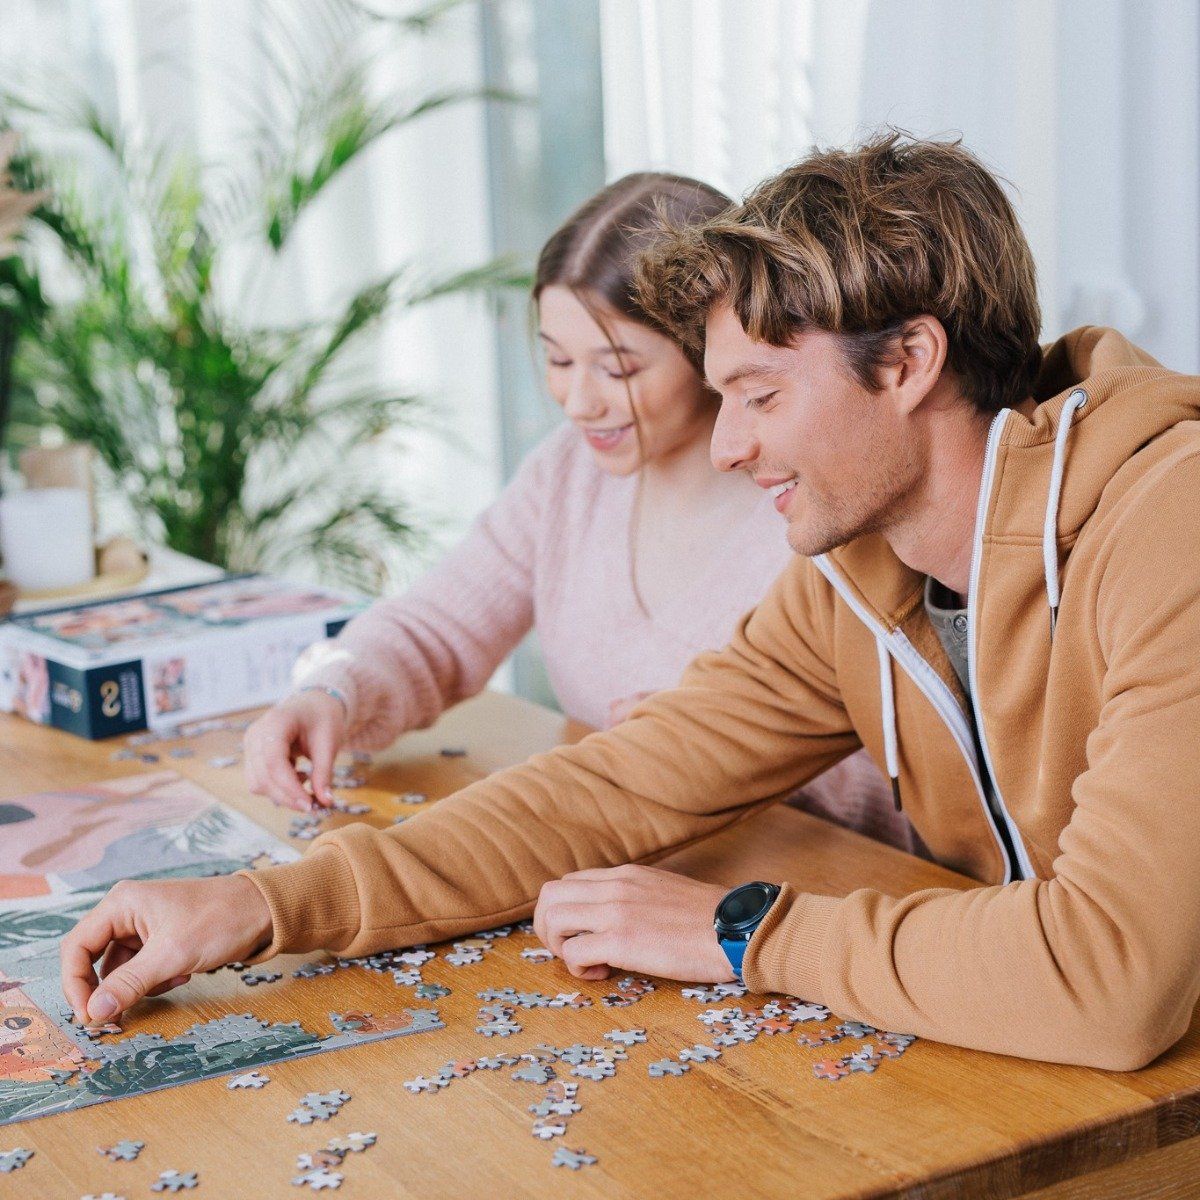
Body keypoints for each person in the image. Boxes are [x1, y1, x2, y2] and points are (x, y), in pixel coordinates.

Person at [61, 131, 1200, 1072]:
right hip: (1040, 1065)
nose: (733, 445)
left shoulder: (1169, 527)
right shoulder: (854, 580)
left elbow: (1112, 980)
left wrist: (738, 928)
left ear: (906, 363)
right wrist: (259, 908)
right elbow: (608, 791)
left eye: (759, 395)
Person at [241, 171, 906, 848]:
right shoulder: (570, 471)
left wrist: (729, 747)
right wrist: (331, 693)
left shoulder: (820, 505)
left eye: (618, 370)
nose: (578, 401)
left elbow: (903, 776)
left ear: (710, 353)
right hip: (626, 857)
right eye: (557, 359)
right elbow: (436, 627)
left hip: (796, 883)